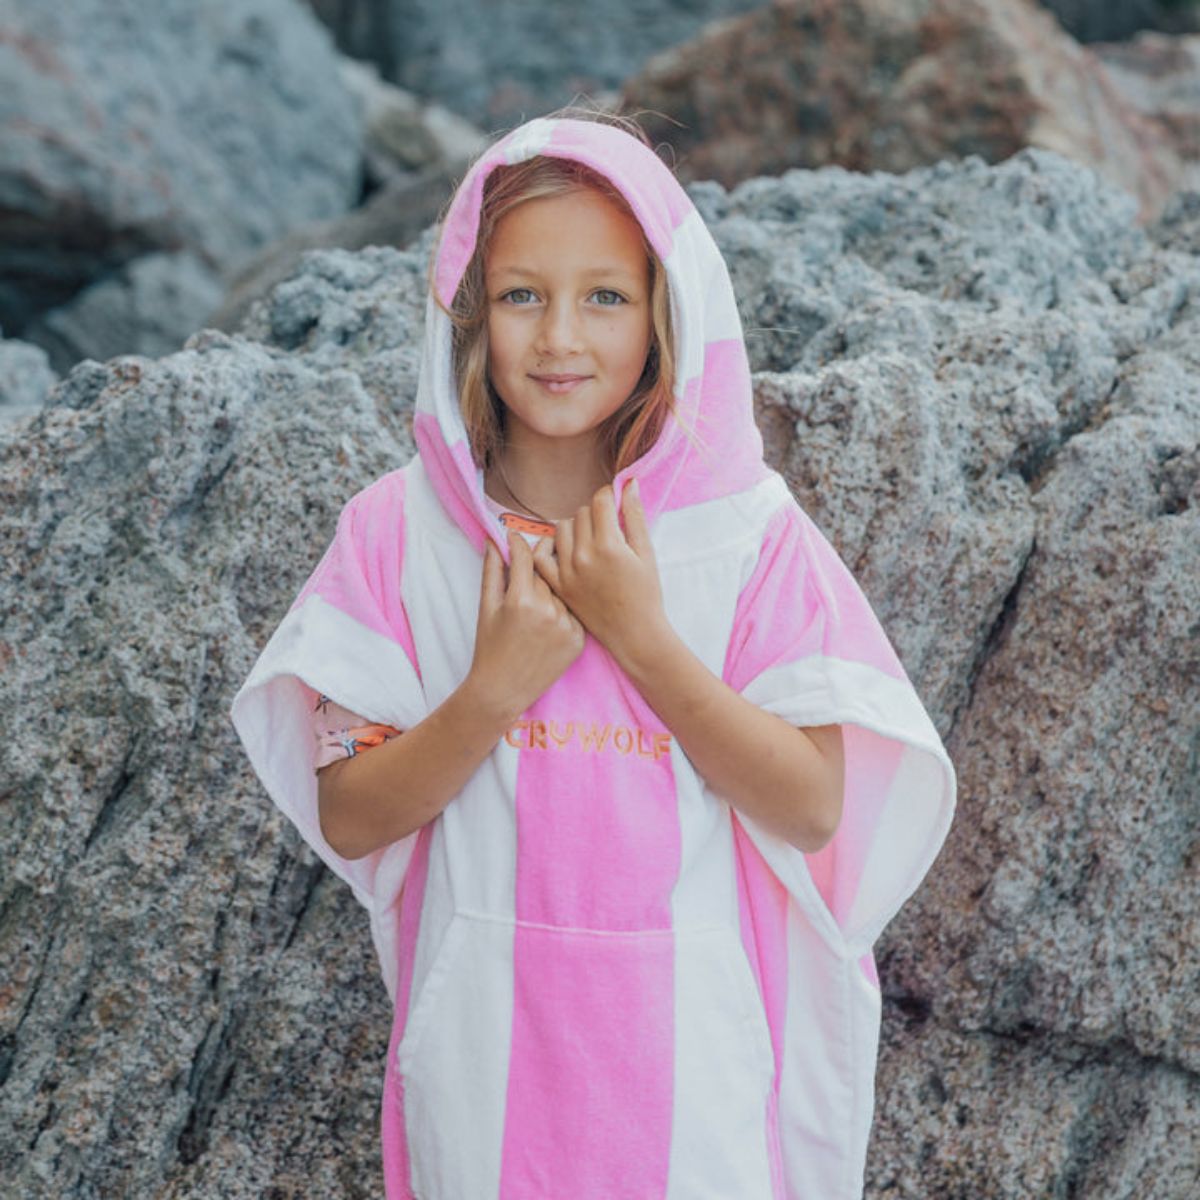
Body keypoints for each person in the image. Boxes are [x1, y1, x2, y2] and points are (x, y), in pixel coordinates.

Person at [230, 107, 956, 1200]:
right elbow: (351, 810)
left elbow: (813, 807)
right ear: (468, 312)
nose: (560, 336)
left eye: (605, 297)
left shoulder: (743, 538)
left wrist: (644, 638)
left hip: (696, 1083)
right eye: (523, 294)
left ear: (667, 316)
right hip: (483, 1068)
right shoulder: (398, 536)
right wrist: (493, 689)